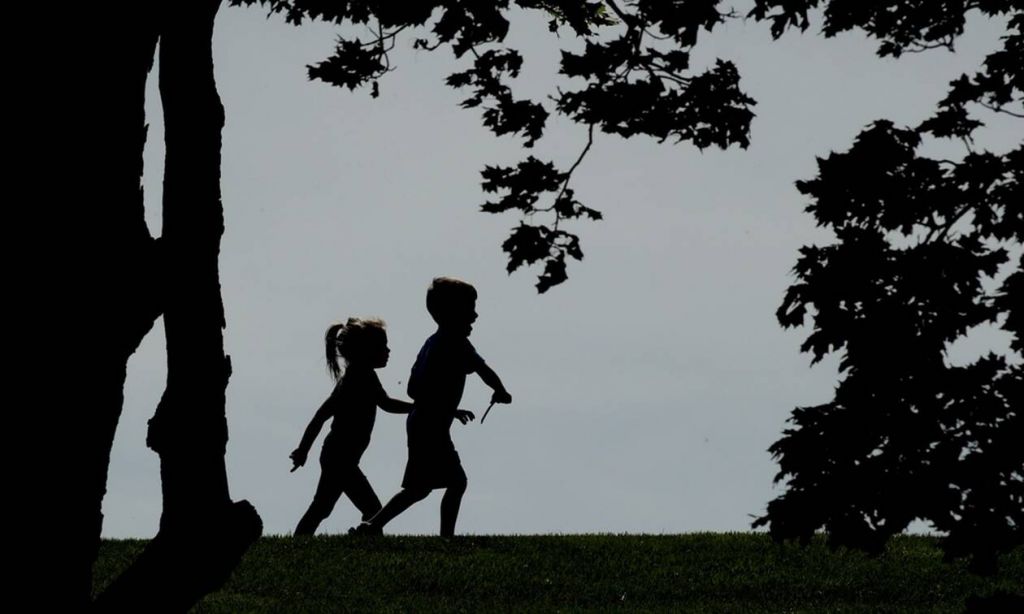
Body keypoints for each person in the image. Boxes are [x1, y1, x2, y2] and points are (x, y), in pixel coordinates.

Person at [352, 277, 511, 537]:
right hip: (431, 426)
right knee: (456, 482)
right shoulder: (456, 343)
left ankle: (371, 526)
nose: (475, 315)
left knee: (418, 488)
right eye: (469, 309)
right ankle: (445, 537)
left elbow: (413, 389)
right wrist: (500, 390)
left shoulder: (431, 344)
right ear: (450, 313)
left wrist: (448, 409)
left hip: (421, 421)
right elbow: (483, 369)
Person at [290, 317, 413, 536]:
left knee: (322, 507)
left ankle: (299, 543)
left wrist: (303, 450)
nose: (388, 351)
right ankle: (362, 539)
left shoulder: (360, 376)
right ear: (366, 350)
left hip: (337, 456)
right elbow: (386, 404)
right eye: (382, 346)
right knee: (372, 510)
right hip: (340, 458)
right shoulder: (359, 378)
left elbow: (320, 417)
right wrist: (302, 450)